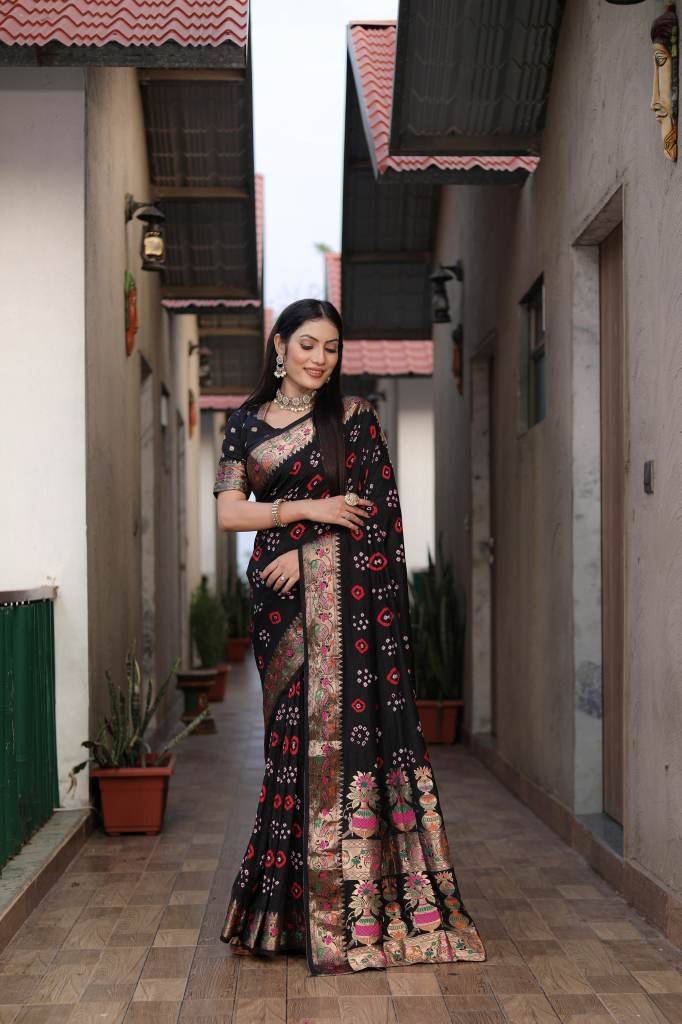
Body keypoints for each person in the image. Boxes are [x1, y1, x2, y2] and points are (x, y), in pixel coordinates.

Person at [213, 298, 485, 975]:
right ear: (280, 346)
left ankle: (347, 910)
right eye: (308, 344)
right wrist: (306, 510)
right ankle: (287, 913)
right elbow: (228, 513)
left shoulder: (356, 420)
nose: (319, 358)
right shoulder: (244, 423)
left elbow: (379, 523)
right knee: (289, 749)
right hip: (279, 612)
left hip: (345, 611)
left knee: (343, 745)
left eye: (331, 348)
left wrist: (308, 557)